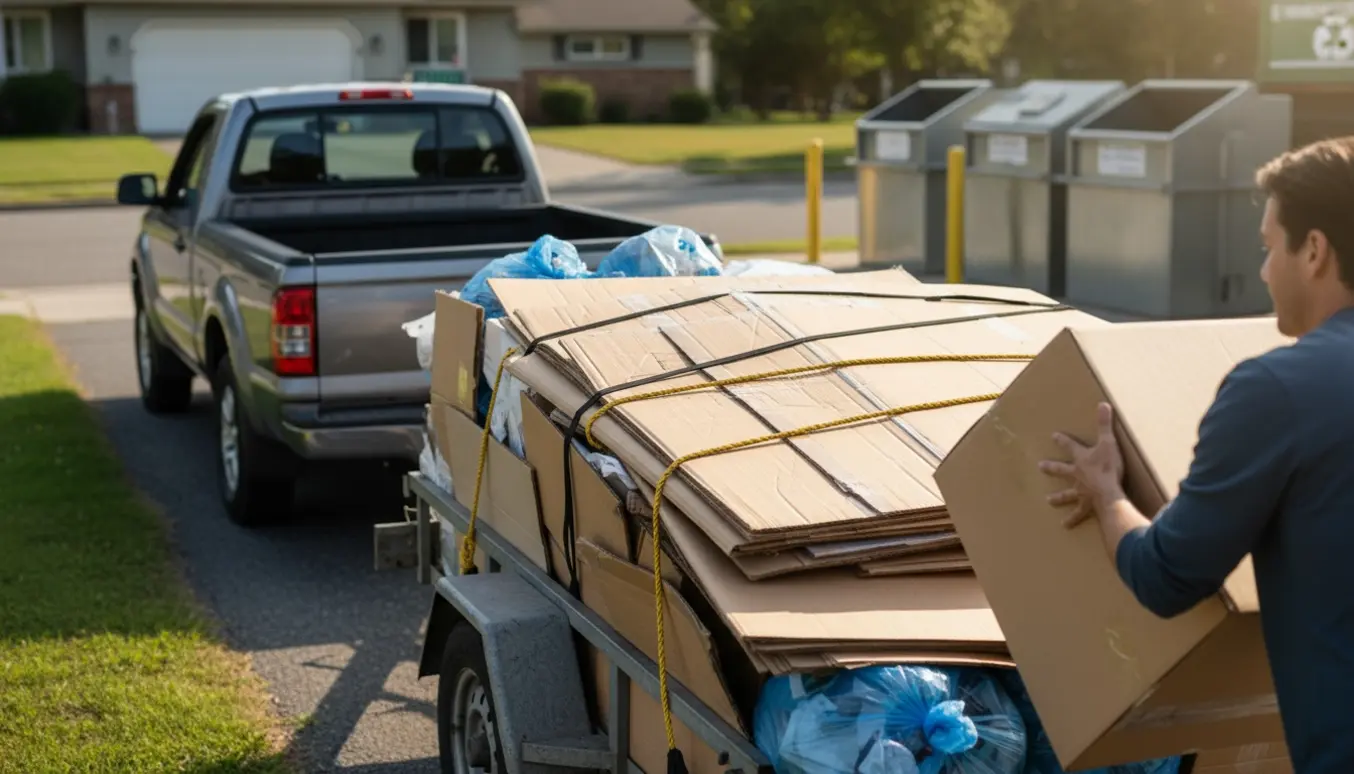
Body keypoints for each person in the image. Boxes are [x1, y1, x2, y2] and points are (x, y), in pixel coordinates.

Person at [1037, 135, 1354, 774]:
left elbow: (1166, 576)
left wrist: (1107, 495)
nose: (1264, 272)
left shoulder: (1277, 391)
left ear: (1314, 251)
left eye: (1269, 249)